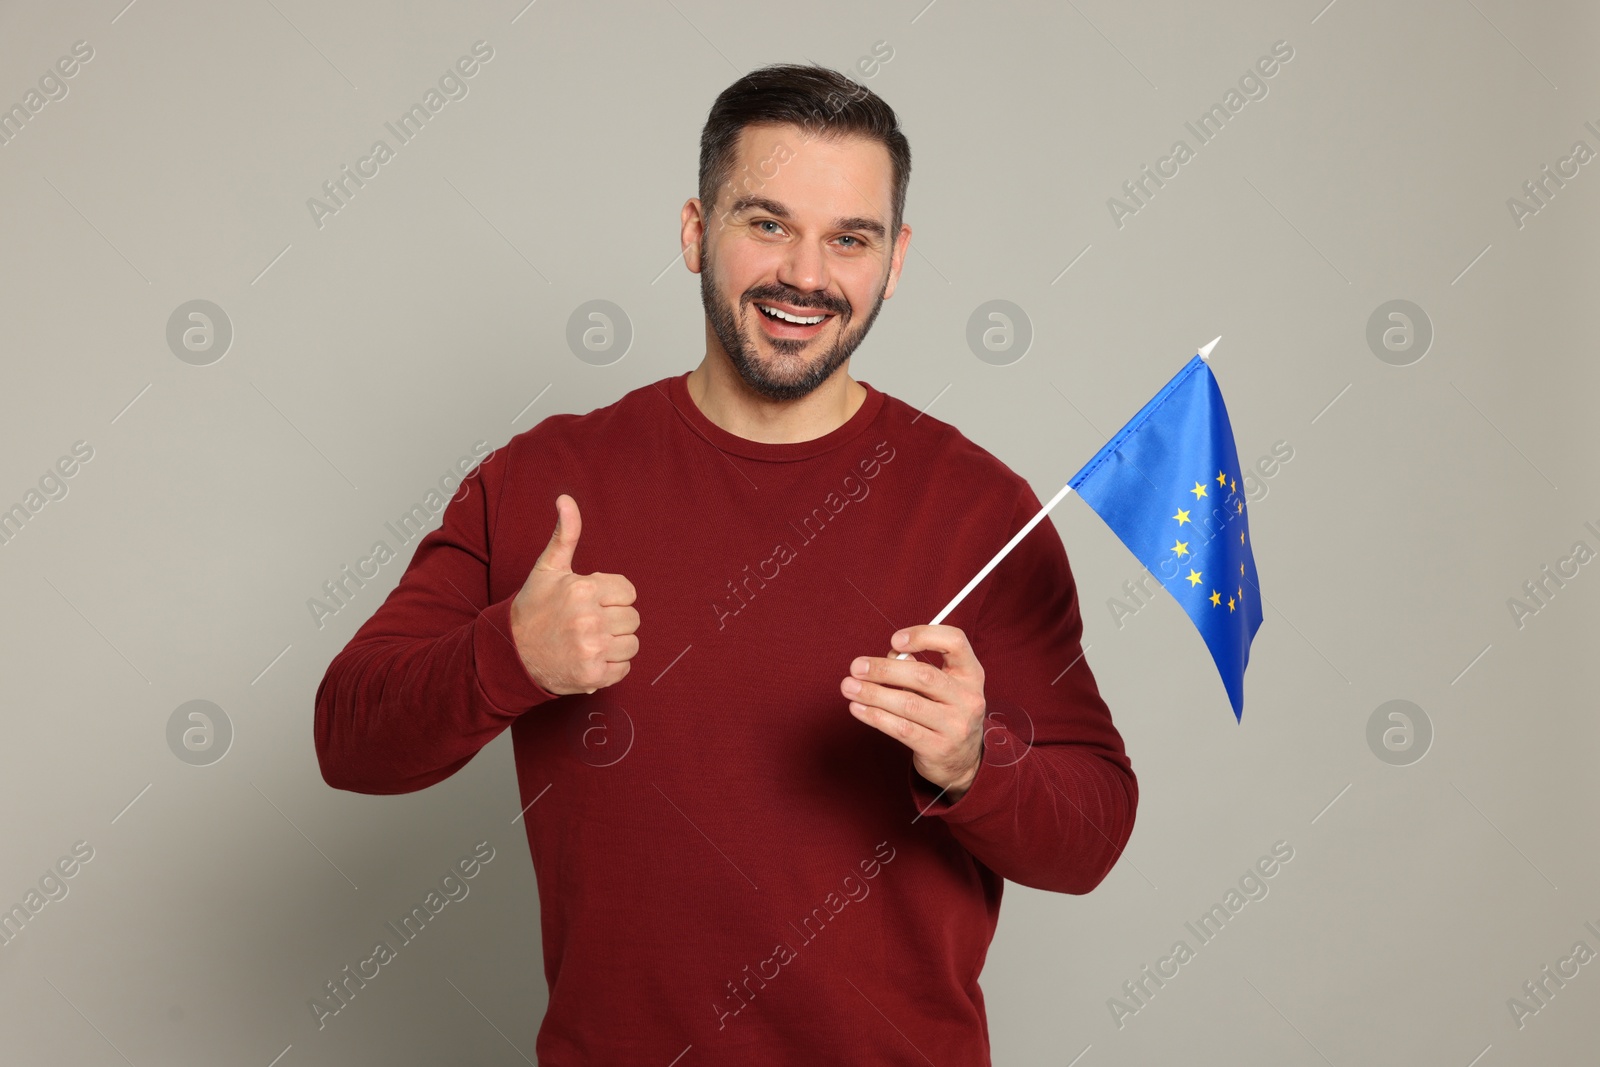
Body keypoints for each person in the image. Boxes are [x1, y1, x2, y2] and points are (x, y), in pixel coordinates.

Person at [315, 62, 1137, 1065]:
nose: (806, 272)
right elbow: (348, 735)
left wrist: (974, 761)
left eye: (850, 238)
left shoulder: (980, 511)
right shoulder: (544, 480)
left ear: (896, 259)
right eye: (767, 223)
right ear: (697, 231)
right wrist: (508, 653)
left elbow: (1092, 832)